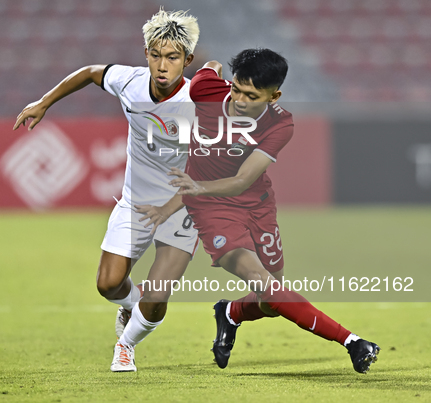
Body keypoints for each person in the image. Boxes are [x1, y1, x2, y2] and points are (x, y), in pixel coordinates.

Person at [149, 48, 380, 374]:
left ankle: (230, 313)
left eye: (252, 96)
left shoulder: (280, 124)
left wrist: (196, 185)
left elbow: (243, 179)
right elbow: (209, 69)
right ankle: (352, 342)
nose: (240, 100)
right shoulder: (205, 89)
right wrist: (212, 66)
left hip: (255, 204)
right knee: (265, 283)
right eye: (236, 89)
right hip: (211, 209)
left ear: (274, 96)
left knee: (271, 302)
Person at [13, 9, 200, 372]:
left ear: (187, 60)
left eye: (173, 57)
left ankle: (125, 345)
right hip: (135, 203)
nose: (163, 65)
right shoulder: (129, 81)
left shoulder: (199, 102)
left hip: (181, 210)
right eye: (156, 55)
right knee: (108, 283)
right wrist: (44, 103)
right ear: (145, 53)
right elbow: (88, 73)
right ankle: (132, 306)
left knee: (159, 292)